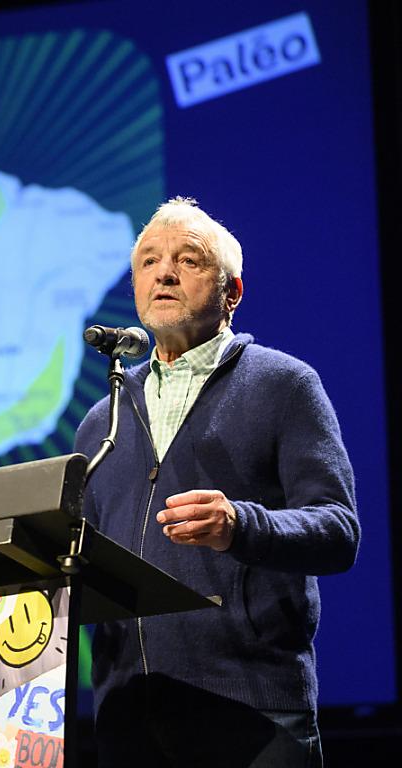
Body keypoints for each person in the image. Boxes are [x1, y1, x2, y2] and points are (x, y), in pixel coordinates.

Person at [73, 197, 360, 767]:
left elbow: (338, 530)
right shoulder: (101, 422)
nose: (165, 273)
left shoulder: (284, 386)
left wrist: (239, 524)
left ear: (233, 293)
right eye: (149, 261)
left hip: (251, 711)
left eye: (189, 260)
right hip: (128, 718)